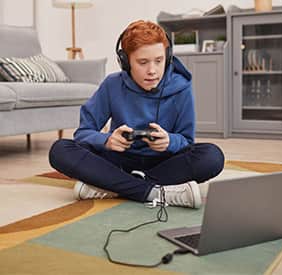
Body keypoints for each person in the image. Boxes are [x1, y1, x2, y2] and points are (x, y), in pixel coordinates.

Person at [49, 20, 225, 209]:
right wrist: (107, 140)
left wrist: (169, 141)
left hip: (165, 164)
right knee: (60, 150)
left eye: (159, 61)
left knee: (212, 156)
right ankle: (154, 192)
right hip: (117, 160)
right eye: (142, 62)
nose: (152, 71)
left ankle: (112, 187)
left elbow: (186, 141)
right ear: (125, 62)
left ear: (168, 57)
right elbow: (83, 133)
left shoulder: (182, 87)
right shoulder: (112, 84)